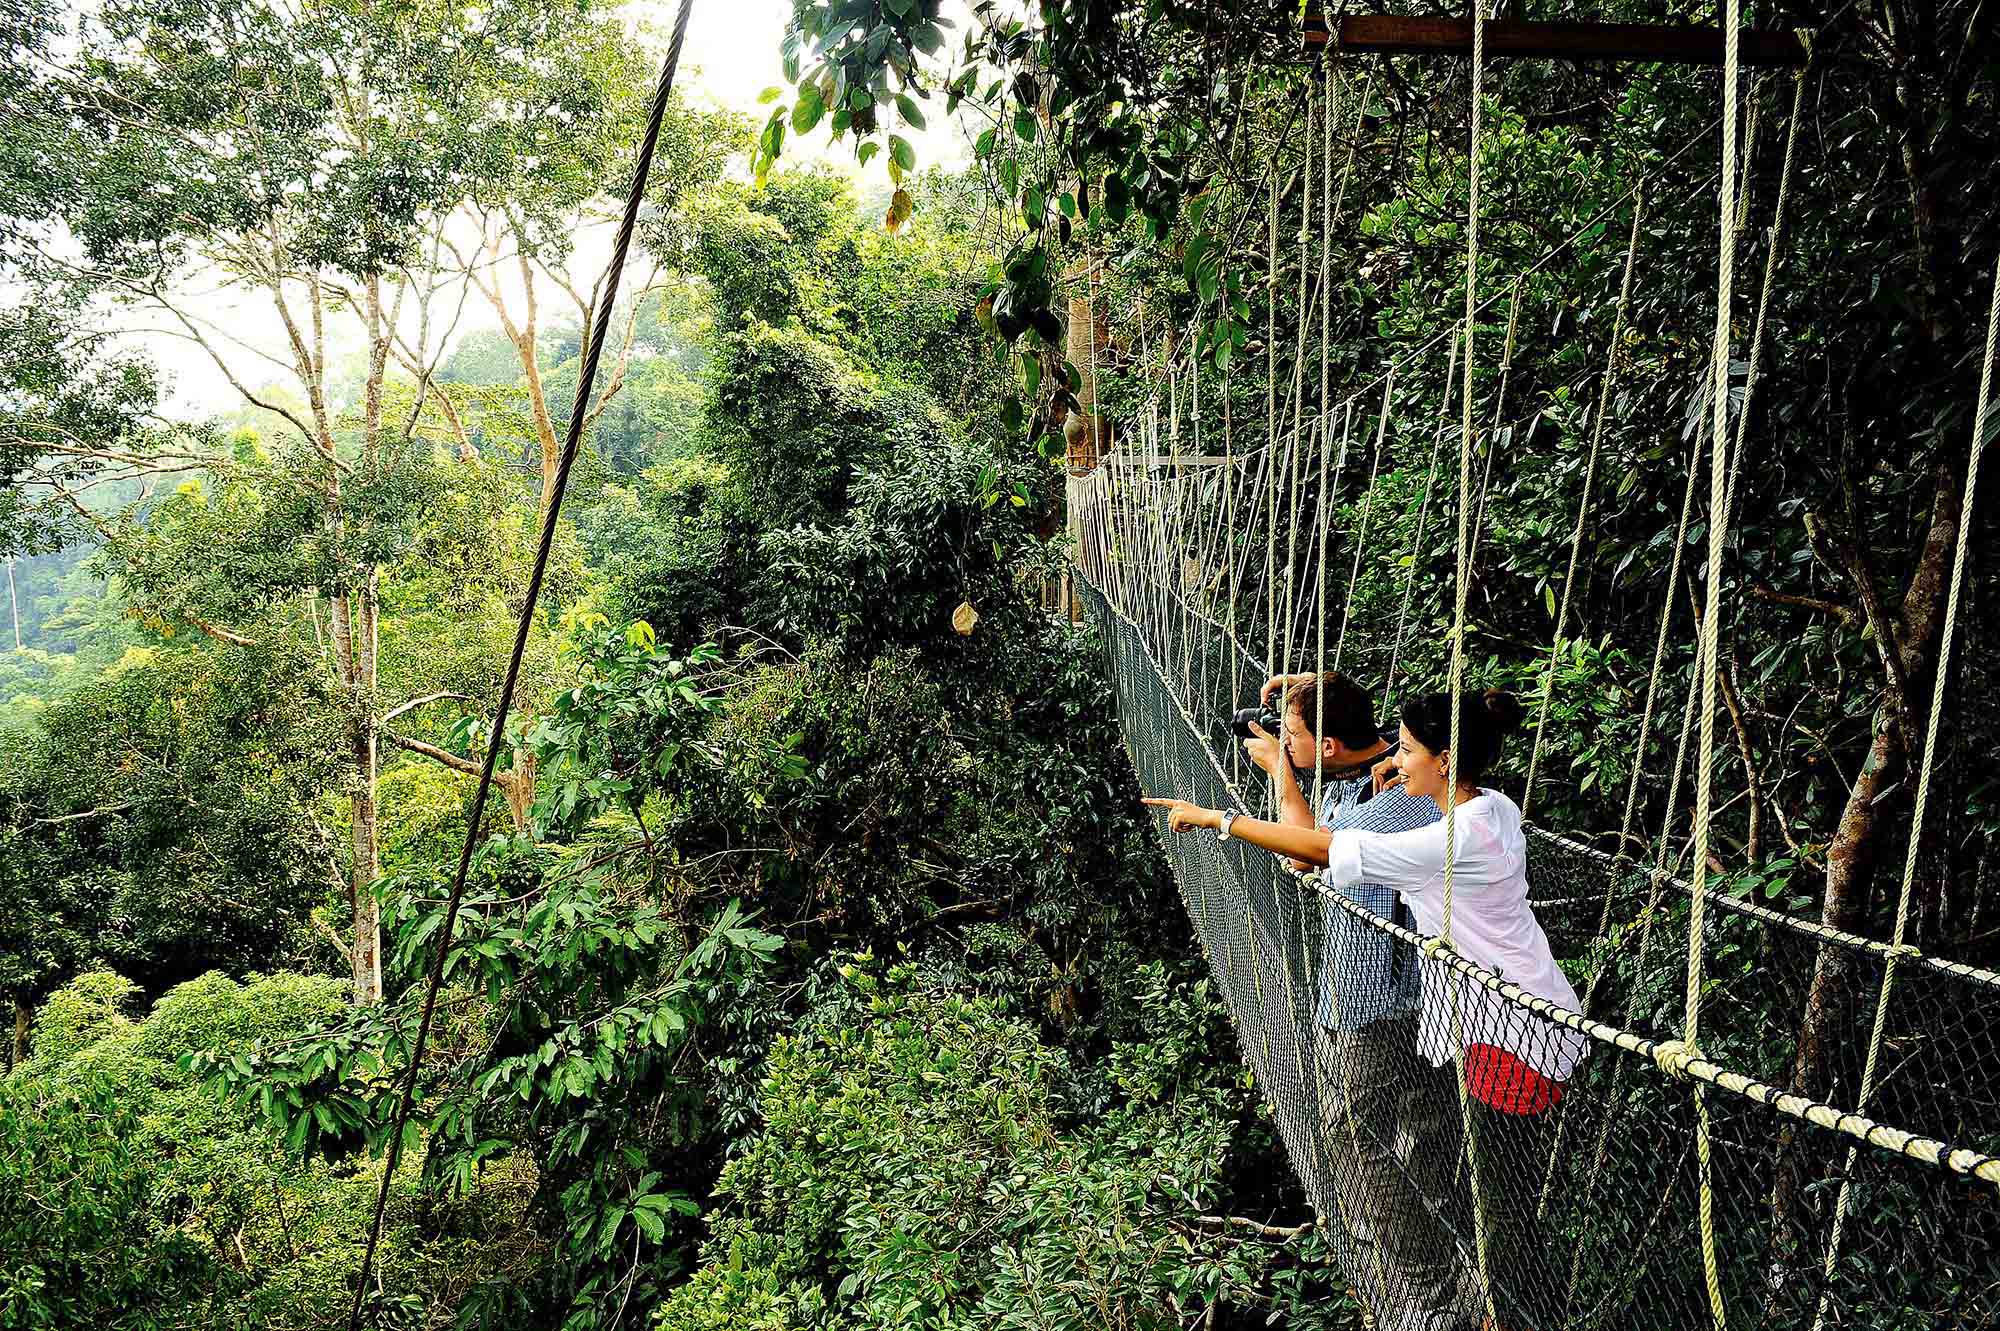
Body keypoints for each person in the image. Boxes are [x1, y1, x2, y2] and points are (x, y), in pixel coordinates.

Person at [1147, 687, 1585, 1331]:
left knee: (1495, 1208)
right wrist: (1382, 775)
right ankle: (1479, 1307)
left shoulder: (1445, 843)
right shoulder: (1492, 807)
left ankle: (1455, 1311)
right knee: (1493, 1201)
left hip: (1510, 1037)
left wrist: (1219, 818)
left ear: (1442, 759)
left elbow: (1319, 849)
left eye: (1406, 750)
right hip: (1528, 1017)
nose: (1395, 761)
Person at [1240, 670, 1467, 1331]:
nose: (1282, 741)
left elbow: (1308, 854)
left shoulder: (1393, 801)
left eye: (1293, 734)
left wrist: (1279, 779)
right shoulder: (1367, 778)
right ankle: (1438, 1275)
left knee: (1355, 1140)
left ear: (1331, 746)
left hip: (1380, 1004)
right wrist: (1310, 684)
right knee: (1417, 1140)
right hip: (1384, 999)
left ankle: (1433, 1298)